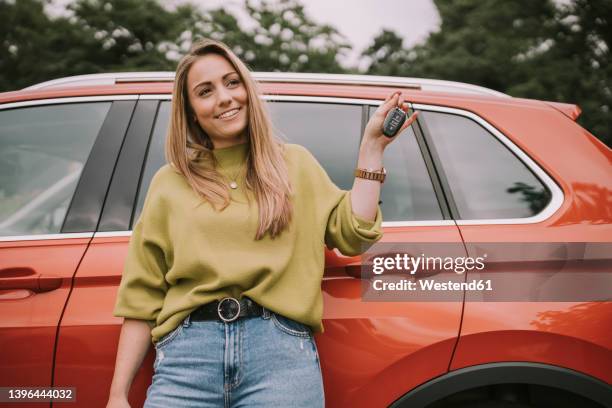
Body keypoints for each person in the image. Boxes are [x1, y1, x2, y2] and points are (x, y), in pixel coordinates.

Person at [105, 38, 418, 408]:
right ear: (190, 111)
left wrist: (372, 149)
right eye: (206, 91)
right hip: (185, 361)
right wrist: (117, 395)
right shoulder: (169, 183)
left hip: (280, 356)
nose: (224, 97)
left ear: (248, 91)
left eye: (232, 82)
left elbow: (354, 235)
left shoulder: (295, 165)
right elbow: (142, 298)